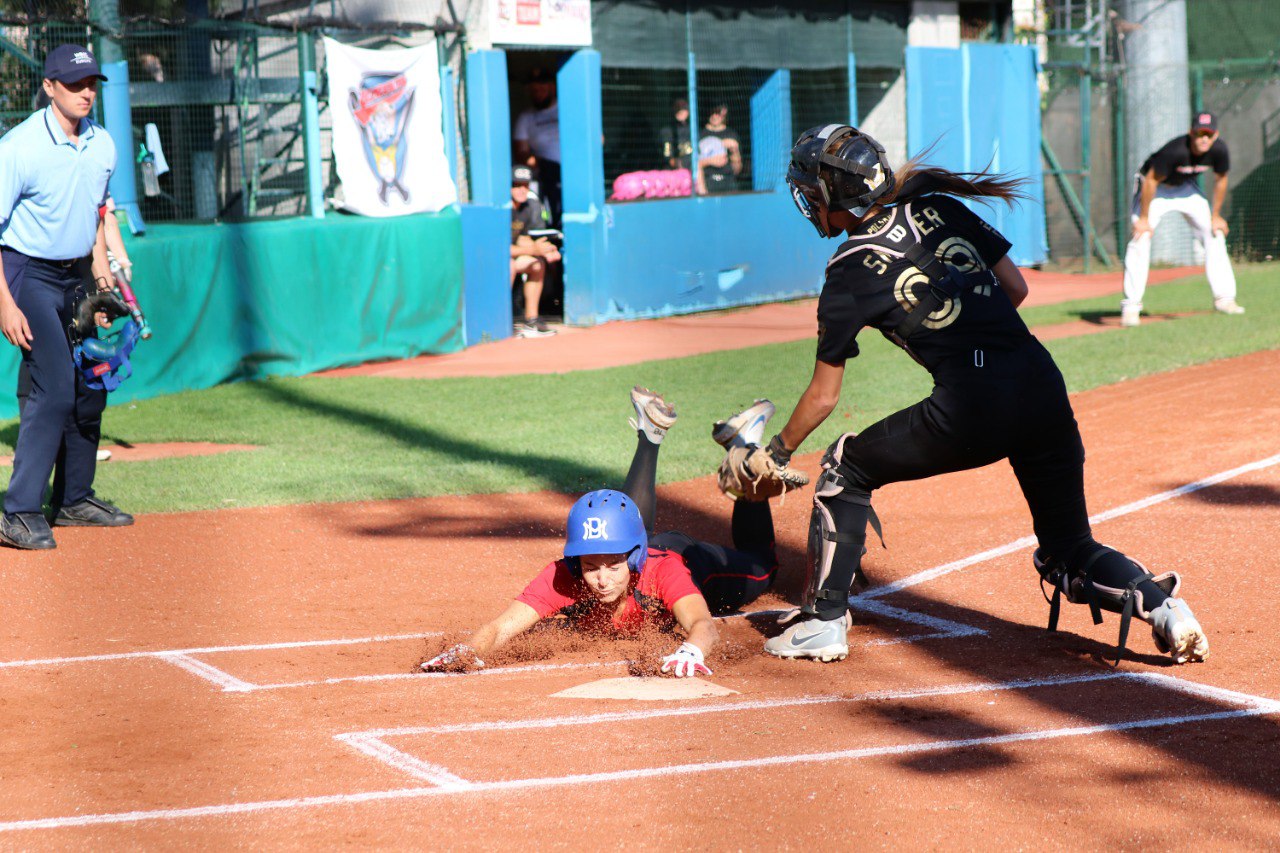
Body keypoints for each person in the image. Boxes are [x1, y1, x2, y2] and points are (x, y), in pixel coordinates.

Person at [755, 124, 1209, 666]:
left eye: (811, 191)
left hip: (972, 406)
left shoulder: (847, 270)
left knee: (844, 469)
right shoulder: (940, 208)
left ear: (835, 196)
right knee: (1068, 549)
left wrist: (777, 451)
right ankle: (1164, 608)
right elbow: (1016, 289)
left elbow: (824, 398)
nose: (807, 201)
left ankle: (823, 622)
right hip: (1040, 381)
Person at [421, 388, 787, 677]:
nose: (600, 580)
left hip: (694, 562)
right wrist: (468, 650)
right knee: (624, 526)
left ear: (632, 558)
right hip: (633, 540)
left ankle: (747, 446)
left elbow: (704, 626)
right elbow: (500, 628)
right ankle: (652, 436)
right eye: (590, 566)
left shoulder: (663, 571)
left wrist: (691, 649)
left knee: (765, 567)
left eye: (612, 566)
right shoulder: (565, 575)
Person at [0, 44, 133, 550]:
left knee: (89, 386)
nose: (85, 92)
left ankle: (75, 499)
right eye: (74, 83)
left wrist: (102, 285)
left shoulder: (102, 145)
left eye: (91, 83)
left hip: (76, 270)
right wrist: (5, 305)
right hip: (25, 272)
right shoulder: (19, 148)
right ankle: (17, 511)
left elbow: (95, 217)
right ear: (49, 87)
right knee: (53, 386)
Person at [1121, 112, 1244, 327]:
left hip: (1186, 189)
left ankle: (1225, 299)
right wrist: (1143, 218)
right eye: (1200, 133)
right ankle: (1131, 307)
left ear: (1215, 136)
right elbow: (1150, 181)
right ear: (1191, 133)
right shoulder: (1175, 150)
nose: (1204, 138)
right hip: (1156, 189)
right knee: (1141, 237)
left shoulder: (1219, 149)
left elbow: (1221, 179)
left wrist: (1215, 216)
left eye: (1209, 133)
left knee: (1214, 233)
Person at [510, 165, 560, 338]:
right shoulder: (502, 209)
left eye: (525, 185)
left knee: (537, 265)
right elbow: (502, 249)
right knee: (508, 265)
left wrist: (546, 250)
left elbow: (523, 239)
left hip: (514, 256)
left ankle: (531, 320)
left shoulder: (528, 206)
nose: (522, 189)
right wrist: (533, 248)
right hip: (495, 260)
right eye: (516, 185)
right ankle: (501, 319)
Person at [513, 67, 561, 226]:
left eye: (541, 88)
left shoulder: (566, 109)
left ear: (552, 87)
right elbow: (521, 153)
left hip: (573, 171)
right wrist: (538, 163)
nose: (538, 93)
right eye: (534, 90)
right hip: (545, 173)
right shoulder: (526, 118)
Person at [697, 103, 742, 196]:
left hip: (728, 182)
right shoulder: (700, 134)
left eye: (718, 113)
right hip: (708, 181)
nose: (715, 116)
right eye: (713, 112)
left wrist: (735, 152)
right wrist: (710, 161)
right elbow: (695, 163)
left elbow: (737, 169)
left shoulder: (731, 134)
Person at [659, 97, 693, 174]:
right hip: (675, 173)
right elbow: (669, 158)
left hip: (694, 171)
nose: (680, 112)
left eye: (683, 109)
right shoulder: (667, 131)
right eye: (677, 109)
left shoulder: (694, 130)